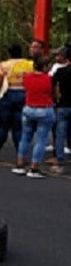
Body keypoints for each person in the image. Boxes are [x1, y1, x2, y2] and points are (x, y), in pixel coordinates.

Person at [0, 44, 33, 162]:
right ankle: (20, 156)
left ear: (9, 53)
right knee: (18, 127)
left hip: (7, 95)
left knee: (3, 126)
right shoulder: (29, 65)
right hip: (23, 95)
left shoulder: (3, 65)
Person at [12, 57, 54, 178]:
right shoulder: (48, 79)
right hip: (44, 109)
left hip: (28, 108)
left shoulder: (27, 77)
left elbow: (25, 88)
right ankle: (34, 168)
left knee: (25, 137)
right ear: (45, 67)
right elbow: (53, 93)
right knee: (41, 139)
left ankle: (20, 165)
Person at [51, 47, 71, 175]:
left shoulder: (60, 71)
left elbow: (51, 84)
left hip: (63, 105)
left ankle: (60, 161)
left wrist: (56, 96)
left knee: (60, 135)